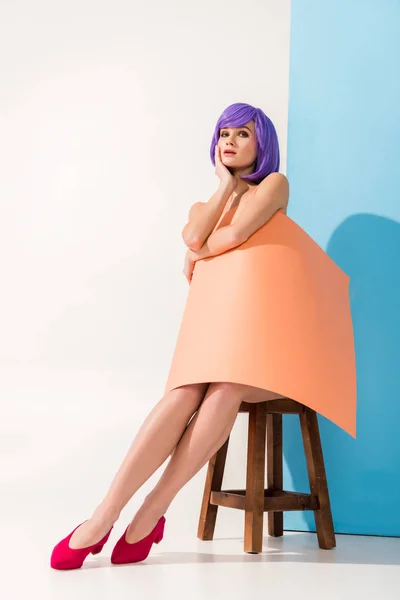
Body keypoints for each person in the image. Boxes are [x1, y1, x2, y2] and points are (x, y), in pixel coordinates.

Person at [50, 102, 289, 570]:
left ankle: (151, 510)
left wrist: (201, 251)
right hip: (225, 343)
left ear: (263, 143)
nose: (230, 141)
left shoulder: (275, 186)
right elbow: (195, 237)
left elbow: (231, 236)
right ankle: (105, 514)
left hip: (274, 349)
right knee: (186, 391)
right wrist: (223, 186)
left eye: (243, 133)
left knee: (228, 385)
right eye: (224, 133)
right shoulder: (204, 205)